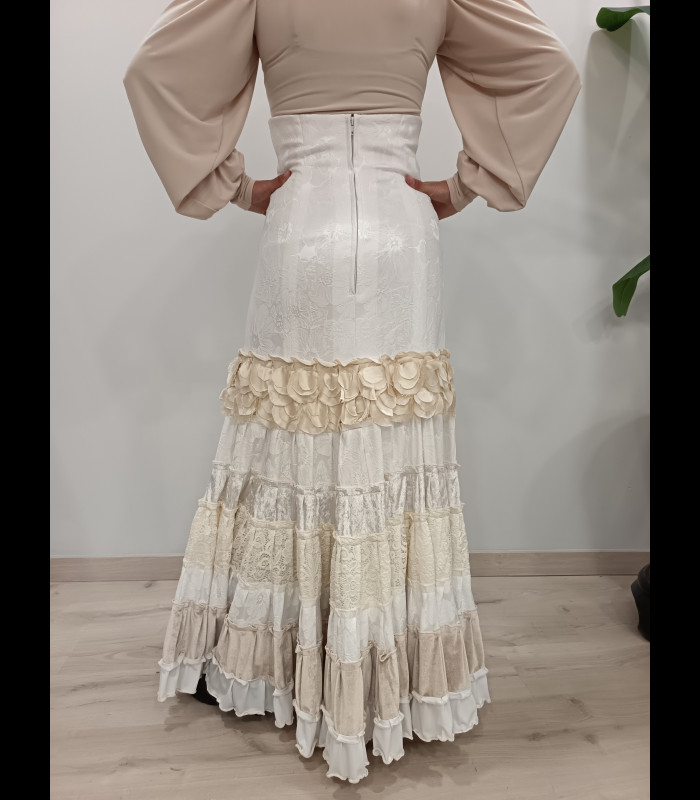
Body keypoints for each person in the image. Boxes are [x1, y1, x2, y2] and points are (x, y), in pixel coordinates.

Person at [124, 0, 580, 784]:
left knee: (291, 435)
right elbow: (551, 69)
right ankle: (383, 670)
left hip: (304, 224)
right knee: (387, 438)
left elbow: (152, 72)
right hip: (403, 230)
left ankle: (275, 660)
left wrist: (238, 188)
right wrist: (466, 185)